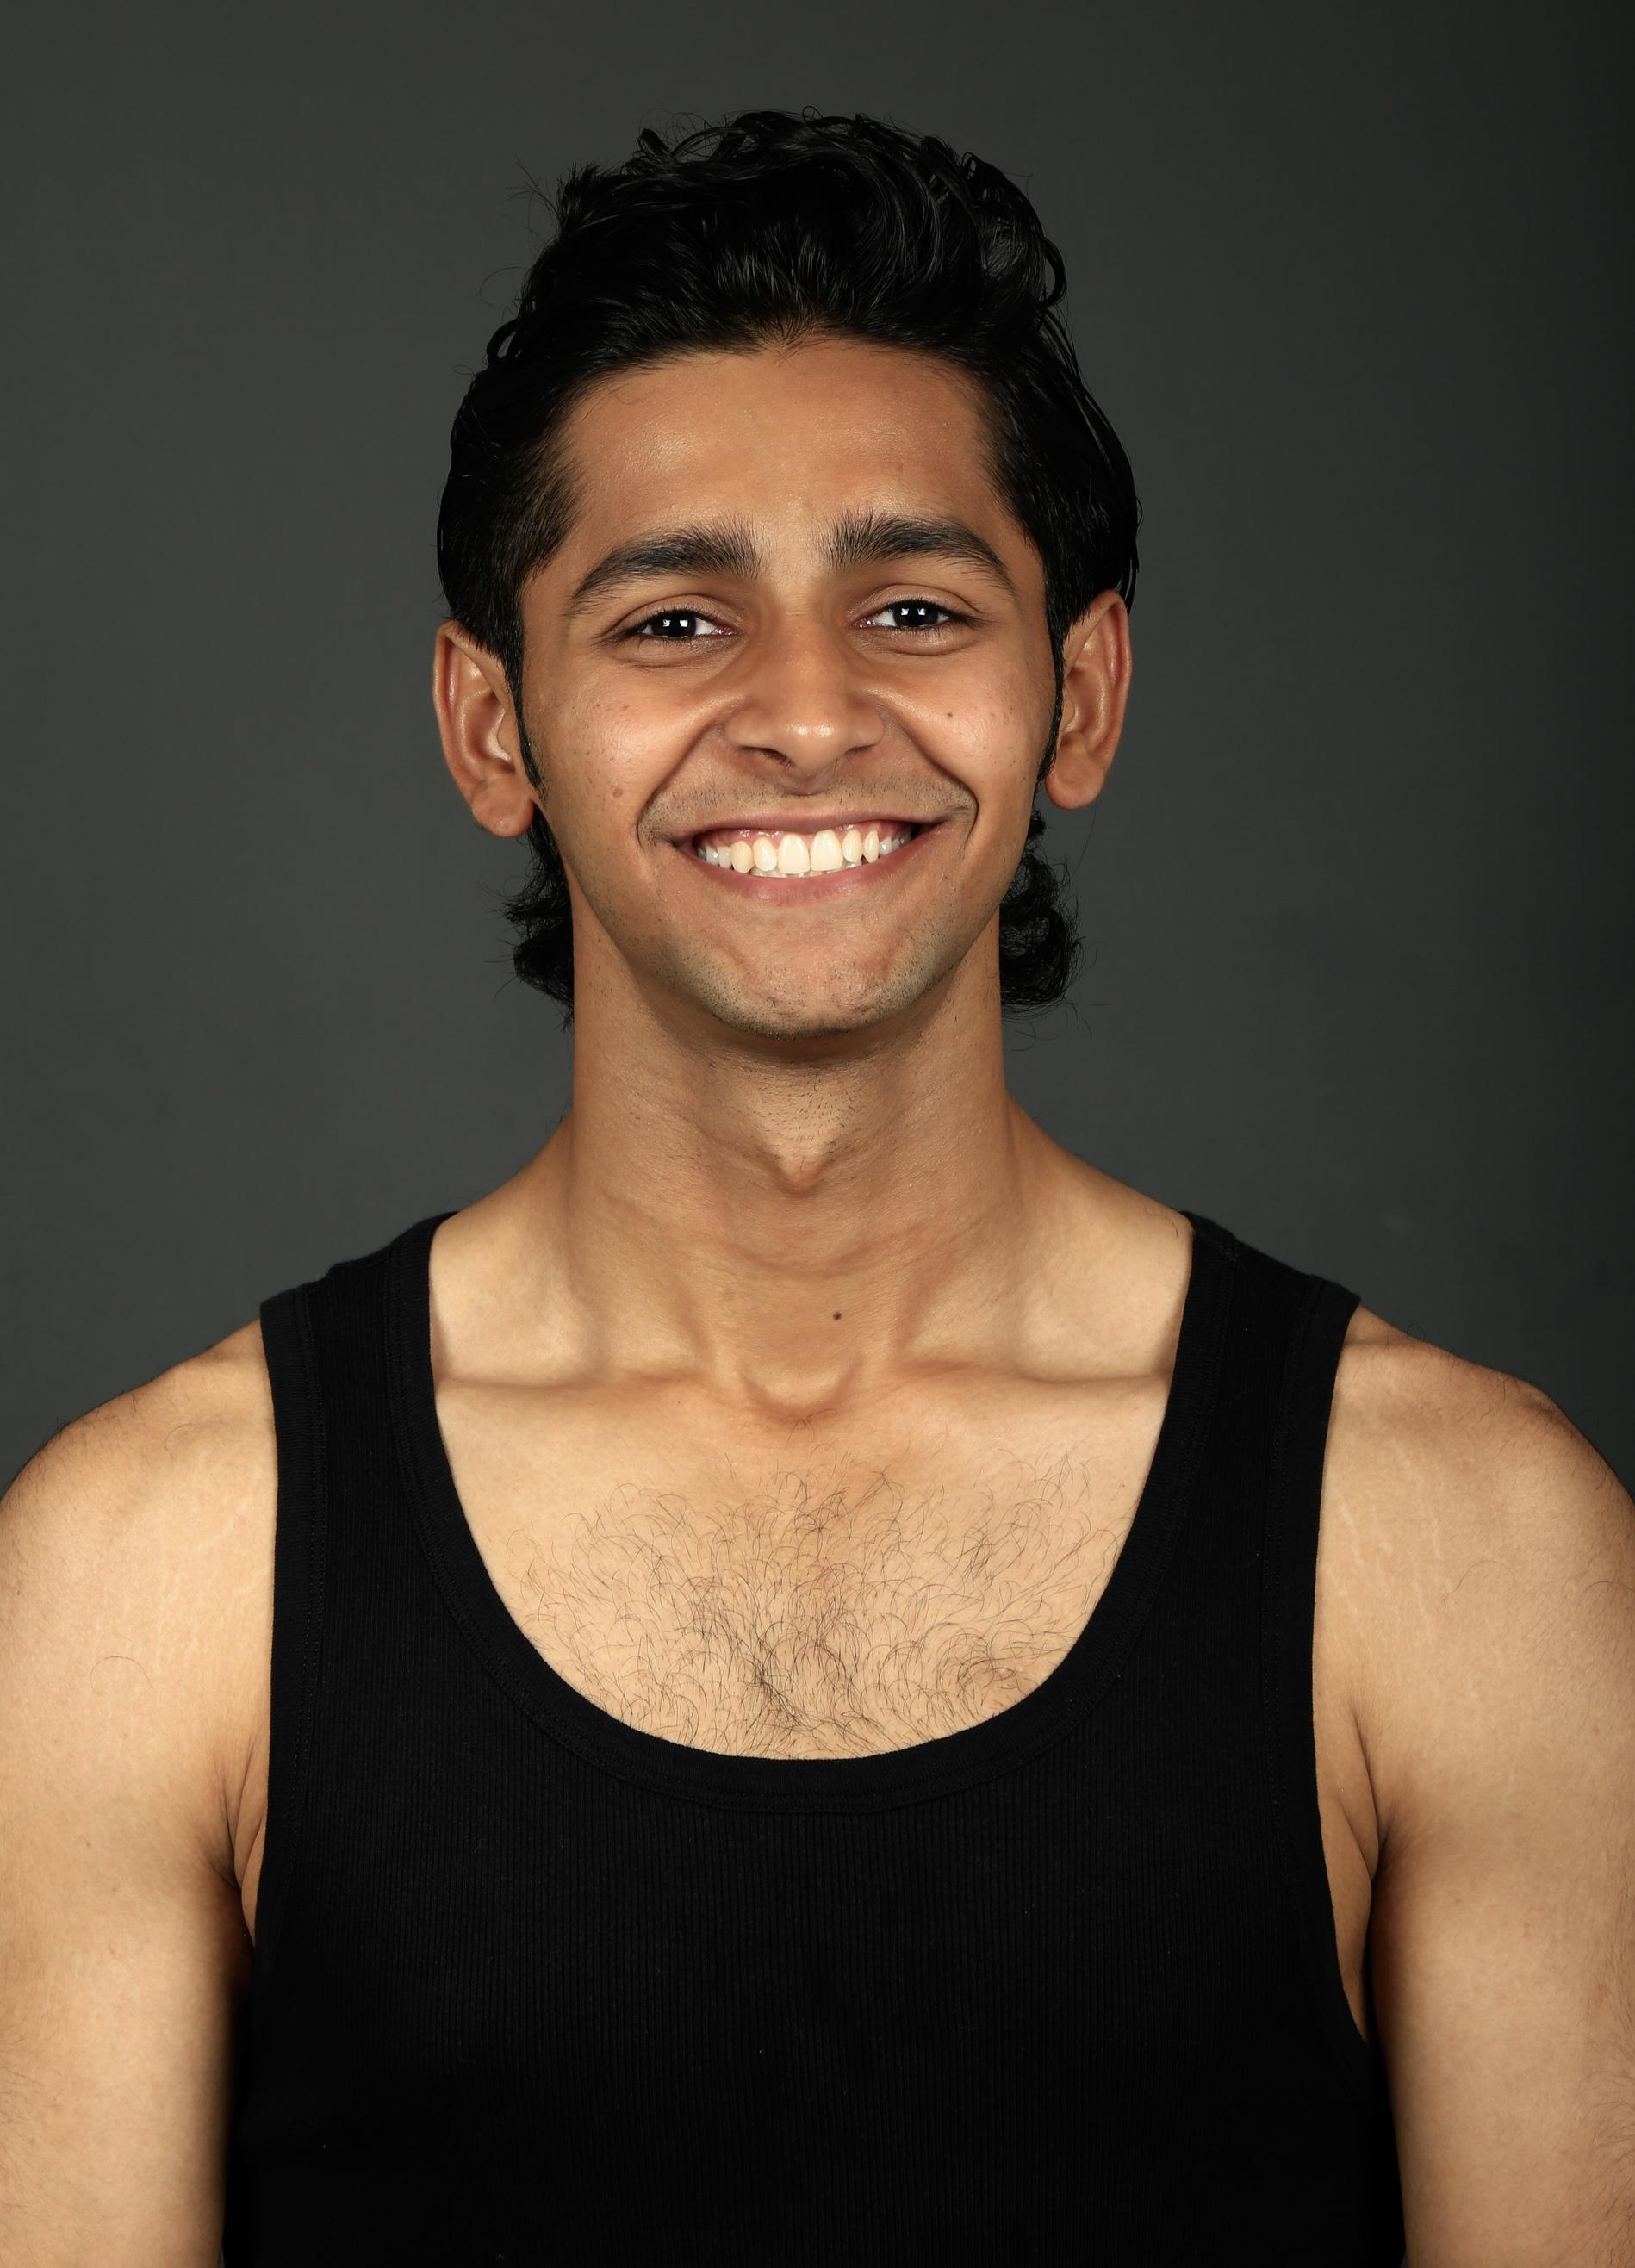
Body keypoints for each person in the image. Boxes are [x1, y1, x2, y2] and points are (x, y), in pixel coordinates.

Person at [3, 107, 1630, 2268]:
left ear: (1081, 694)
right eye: (675, 618)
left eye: (915, 607)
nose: (802, 713)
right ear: (492, 728)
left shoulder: (1470, 1552)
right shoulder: (144, 1574)